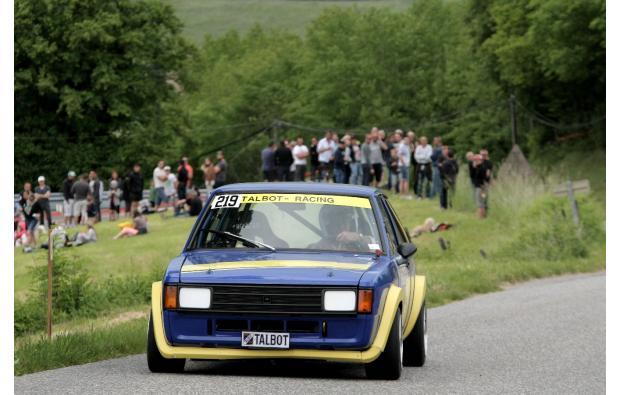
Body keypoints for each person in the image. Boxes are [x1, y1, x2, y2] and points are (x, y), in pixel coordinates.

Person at [307, 205, 377, 251]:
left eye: (345, 219)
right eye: (336, 221)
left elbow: (377, 248)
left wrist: (359, 238)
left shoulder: (361, 242)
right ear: (328, 224)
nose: (341, 225)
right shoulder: (318, 247)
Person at [19, 184, 37, 252]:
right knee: (31, 232)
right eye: (26, 187)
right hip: (27, 218)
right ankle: (35, 245)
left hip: (33, 218)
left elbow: (34, 202)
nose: (27, 188)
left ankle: (26, 245)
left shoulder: (32, 195)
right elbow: (25, 198)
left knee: (29, 231)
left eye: (29, 187)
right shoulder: (22, 196)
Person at [471, 154, 489, 218]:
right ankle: (483, 215)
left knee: (479, 201)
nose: (474, 162)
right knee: (483, 201)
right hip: (483, 187)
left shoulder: (480, 168)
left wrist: (475, 168)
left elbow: (477, 177)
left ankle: (480, 216)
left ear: (479, 160)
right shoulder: (482, 167)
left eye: (475, 160)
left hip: (480, 187)